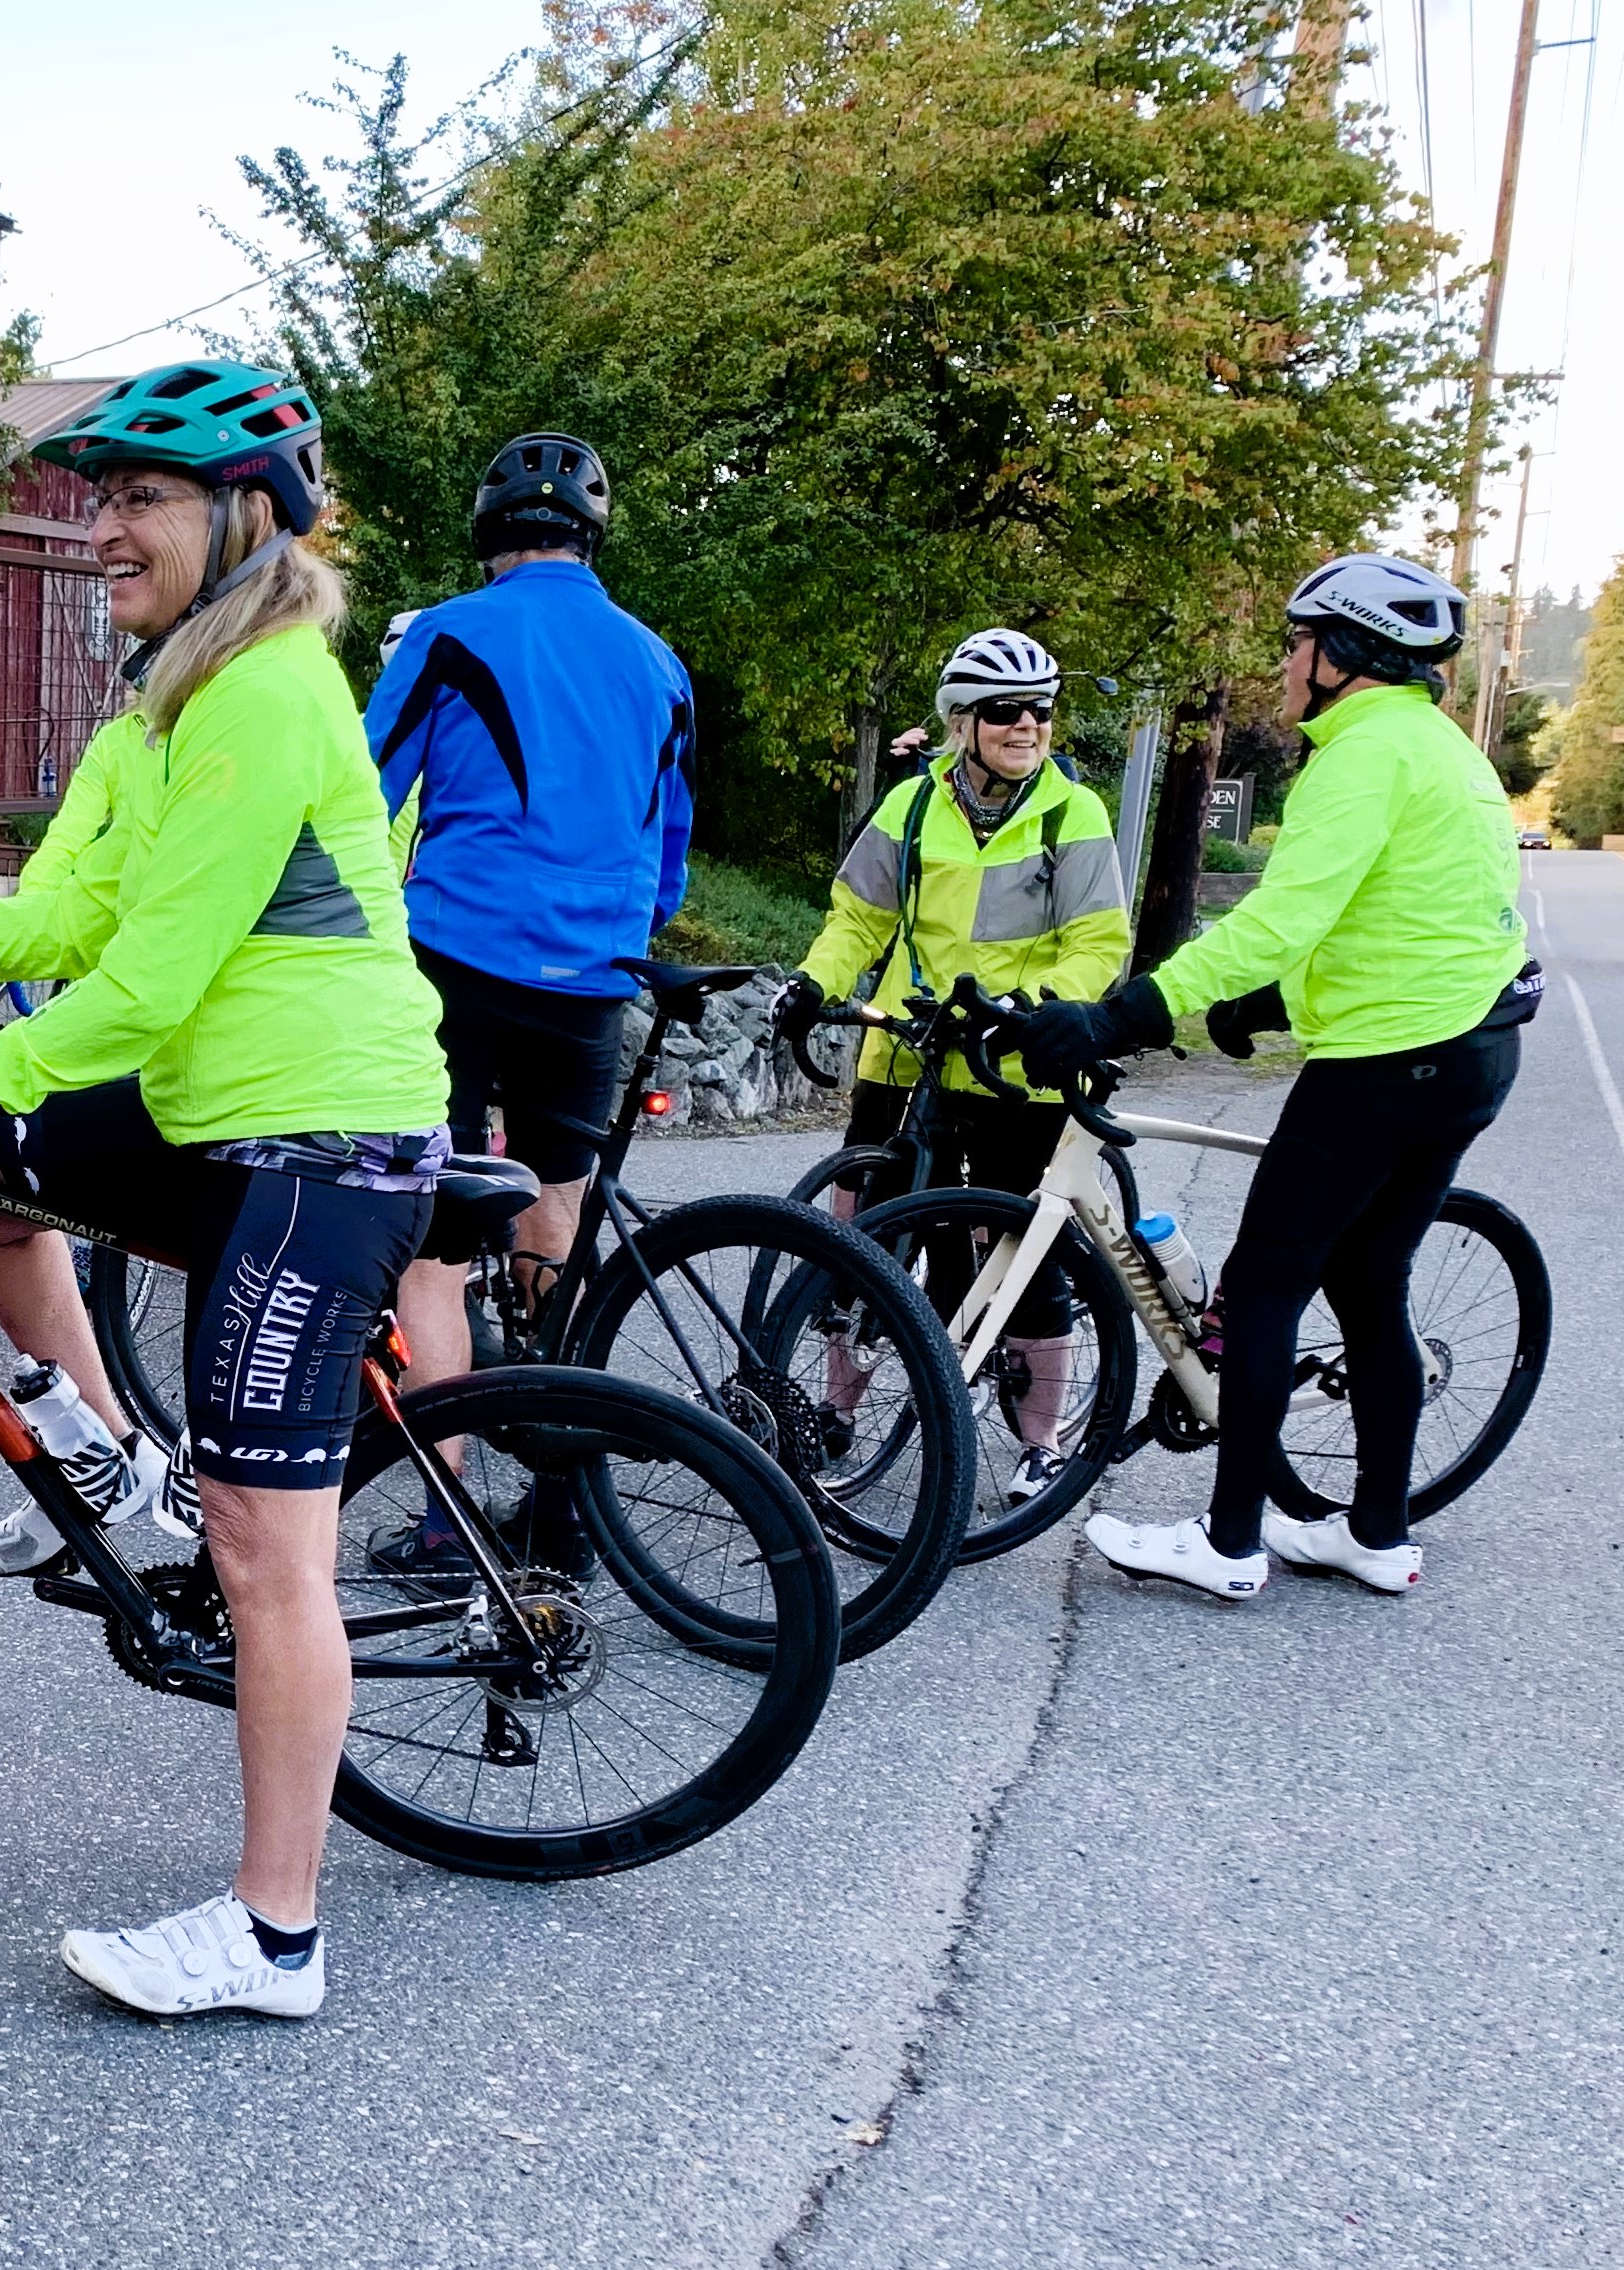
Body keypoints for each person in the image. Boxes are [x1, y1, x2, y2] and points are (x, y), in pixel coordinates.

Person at [0, 361, 449, 2021]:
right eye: (98, 497)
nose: (100, 529)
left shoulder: (266, 693)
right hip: (224, 1117)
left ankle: (273, 1933)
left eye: (139, 498)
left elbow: (150, 974)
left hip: (316, 1139)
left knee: (274, 1551)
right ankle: (115, 1458)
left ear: (242, 517)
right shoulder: (162, 706)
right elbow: (60, 928)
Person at [1015, 552, 1531, 1600]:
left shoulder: (1361, 756)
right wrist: (1267, 1006)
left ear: (1342, 655)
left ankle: (1229, 1540)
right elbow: (1399, 919)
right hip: (1472, 1050)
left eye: (1297, 643)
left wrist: (1122, 1015)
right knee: (1366, 1279)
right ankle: (1373, 1535)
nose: (1287, 664)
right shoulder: (1443, 750)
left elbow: (1278, 920)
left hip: (1389, 1061)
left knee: (1263, 1283)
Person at [359, 432, 694, 1572]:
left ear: (488, 531)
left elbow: (364, 800)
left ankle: (446, 1520)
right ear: (589, 533)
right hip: (593, 980)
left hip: (456, 961)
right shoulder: (658, 661)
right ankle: (562, 1518)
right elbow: (672, 844)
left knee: (435, 1252)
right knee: (556, 1236)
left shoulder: (452, 633)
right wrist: (615, 932)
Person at [775, 627, 1129, 1504]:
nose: (1027, 726)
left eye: (1041, 711)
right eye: (1005, 711)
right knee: (863, 1241)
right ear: (959, 722)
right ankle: (838, 1413)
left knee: (1024, 1256)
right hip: (904, 1053)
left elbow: (1098, 942)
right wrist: (813, 982)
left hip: (1015, 1067)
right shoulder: (909, 806)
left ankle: (1037, 1442)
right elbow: (856, 917)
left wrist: (1032, 1008)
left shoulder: (1068, 813)